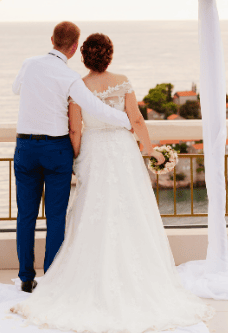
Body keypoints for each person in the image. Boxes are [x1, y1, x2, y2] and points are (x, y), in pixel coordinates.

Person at [11, 33, 213, 332]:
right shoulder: (122, 80)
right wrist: (150, 151)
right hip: (123, 153)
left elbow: (75, 130)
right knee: (131, 211)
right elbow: (138, 121)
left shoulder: (77, 84)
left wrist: (76, 160)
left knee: (91, 211)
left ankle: (37, 275)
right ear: (109, 55)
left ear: (84, 56)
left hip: (93, 153)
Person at [12, 22, 134, 294]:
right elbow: (93, 107)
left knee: (26, 216)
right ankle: (52, 277)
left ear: (52, 39)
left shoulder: (29, 64)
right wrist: (127, 120)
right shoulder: (69, 78)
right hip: (56, 150)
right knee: (55, 217)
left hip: (26, 148)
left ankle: (25, 278)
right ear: (74, 47)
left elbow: (15, 89)